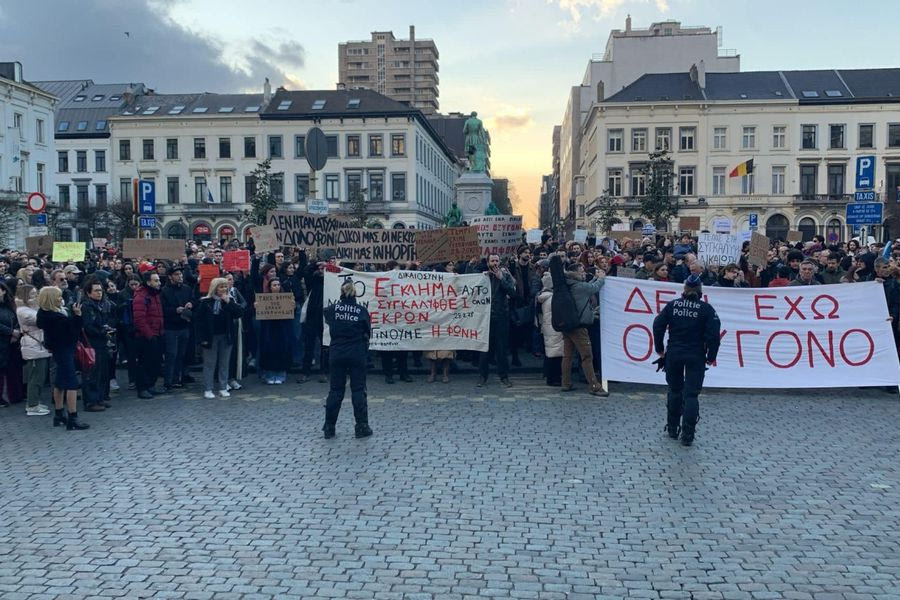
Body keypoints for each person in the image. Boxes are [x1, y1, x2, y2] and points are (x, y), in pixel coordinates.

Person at [652, 274, 721, 446]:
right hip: (695, 354)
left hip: (674, 352)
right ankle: (688, 434)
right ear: (700, 291)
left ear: (684, 289)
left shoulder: (672, 305)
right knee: (691, 394)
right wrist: (711, 356)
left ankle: (673, 427)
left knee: (675, 390)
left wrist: (659, 348)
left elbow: (657, 325)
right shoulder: (706, 309)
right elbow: (714, 336)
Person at [322, 277, 372, 439]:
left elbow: (327, 317)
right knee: (358, 390)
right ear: (355, 293)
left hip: (337, 353)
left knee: (335, 390)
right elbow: (367, 331)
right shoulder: (362, 311)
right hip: (357, 352)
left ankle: (329, 427)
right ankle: (361, 426)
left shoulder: (331, 310)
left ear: (341, 293)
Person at [36, 286, 88, 430]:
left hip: (57, 350)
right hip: (64, 349)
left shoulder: (44, 314)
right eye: (58, 297)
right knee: (71, 383)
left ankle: (59, 414)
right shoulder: (57, 318)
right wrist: (77, 316)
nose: (61, 299)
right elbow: (73, 332)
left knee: (59, 382)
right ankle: (73, 416)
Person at [557, 262, 608, 397]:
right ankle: (594, 386)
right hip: (579, 327)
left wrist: (595, 278)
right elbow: (594, 288)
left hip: (568, 325)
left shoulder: (569, 284)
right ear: (576, 273)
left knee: (567, 355)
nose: (584, 272)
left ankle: (566, 382)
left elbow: (588, 286)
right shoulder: (579, 286)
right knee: (587, 356)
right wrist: (601, 278)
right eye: (582, 271)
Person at [196, 277, 244, 399]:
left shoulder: (229, 300)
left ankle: (223, 387)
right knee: (209, 363)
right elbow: (199, 322)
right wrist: (202, 338)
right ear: (214, 288)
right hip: (210, 337)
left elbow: (239, 313)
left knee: (224, 363)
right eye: (221, 286)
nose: (224, 289)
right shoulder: (205, 302)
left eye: (225, 286)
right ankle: (208, 388)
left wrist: (229, 302)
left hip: (226, 336)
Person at [478, 255, 517, 388]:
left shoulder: (505, 275)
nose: (494, 263)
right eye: (492, 261)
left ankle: (504, 376)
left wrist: (502, 279)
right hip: (486, 317)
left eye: (496, 261)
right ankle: (483, 376)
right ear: (488, 262)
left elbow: (513, 293)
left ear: (499, 262)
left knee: (502, 348)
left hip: (501, 316)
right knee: (484, 349)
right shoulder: (483, 276)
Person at [80, 277, 116, 412]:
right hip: (91, 343)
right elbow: (88, 326)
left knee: (102, 372)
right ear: (89, 293)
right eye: (95, 291)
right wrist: (102, 331)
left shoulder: (103, 304)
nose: (99, 293)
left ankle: (100, 398)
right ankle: (91, 401)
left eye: (100, 290)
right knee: (92, 373)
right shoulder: (87, 306)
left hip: (102, 342)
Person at [17, 284, 51, 416]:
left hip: (38, 345)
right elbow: (40, 320)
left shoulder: (30, 308)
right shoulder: (24, 311)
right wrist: (38, 305)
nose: (35, 296)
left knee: (40, 375)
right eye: (32, 294)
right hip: (33, 346)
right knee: (35, 377)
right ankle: (32, 405)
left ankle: (35, 401)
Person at [160, 266, 194, 392]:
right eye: (176, 274)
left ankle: (177, 379)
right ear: (170, 276)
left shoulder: (187, 288)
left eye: (180, 274)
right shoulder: (164, 291)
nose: (180, 276)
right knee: (171, 355)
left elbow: (193, 300)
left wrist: (191, 304)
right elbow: (162, 309)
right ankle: (168, 381)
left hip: (184, 325)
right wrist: (175, 310)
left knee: (181, 354)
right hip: (171, 327)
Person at [132, 272, 165, 399]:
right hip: (146, 336)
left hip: (157, 333)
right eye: (156, 281)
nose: (159, 283)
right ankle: (143, 388)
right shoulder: (141, 296)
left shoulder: (155, 295)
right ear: (148, 282)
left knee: (155, 362)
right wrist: (150, 335)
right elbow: (139, 319)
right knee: (145, 363)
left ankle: (151, 385)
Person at [255, 278, 292, 384]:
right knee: (269, 350)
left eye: (278, 285)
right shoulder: (263, 298)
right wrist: (257, 306)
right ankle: (270, 374)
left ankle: (281, 374)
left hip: (282, 328)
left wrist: (292, 306)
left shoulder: (286, 297)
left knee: (282, 349)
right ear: (270, 287)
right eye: (274, 285)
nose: (276, 287)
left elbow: (290, 314)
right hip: (269, 328)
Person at [536, 272, 563, 386]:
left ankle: (549, 376)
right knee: (555, 354)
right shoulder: (552, 298)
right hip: (554, 329)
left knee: (550, 353)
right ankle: (554, 378)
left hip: (547, 328)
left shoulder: (543, 296)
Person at [0, 281, 22, 407]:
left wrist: (17, 331)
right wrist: (11, 332)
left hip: (12, 341)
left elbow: (18, 318)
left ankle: (16, 395)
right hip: (3, 340)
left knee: (13, 368)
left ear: (3, 291)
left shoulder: (10, 305)